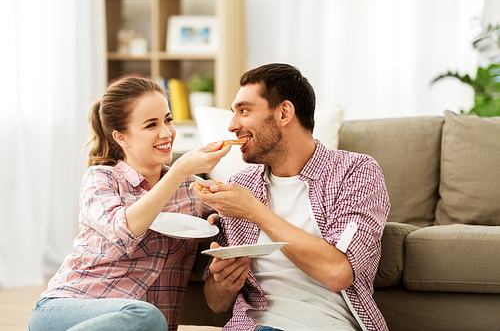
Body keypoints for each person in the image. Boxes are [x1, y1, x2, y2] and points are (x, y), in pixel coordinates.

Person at [192, 63, 391, 331]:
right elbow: (216, 303)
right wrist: (224, 282)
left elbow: (338, 273)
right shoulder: (239, 186)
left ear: (284, 112)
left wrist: (254, 210)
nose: (232, 125)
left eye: (244, 110)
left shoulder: (355, 171)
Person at [28, 76, 231, 331]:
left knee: (147, 318)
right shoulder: (100, 179)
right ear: (120, 137)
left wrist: (218, 218)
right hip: (67, 308)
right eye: (151, 125)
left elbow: (225, 220)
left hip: (139, 325)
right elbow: (124, 231)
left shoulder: (189, 190)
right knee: (146, 315)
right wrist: (179, 170)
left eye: (168, 119)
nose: (166, 132)